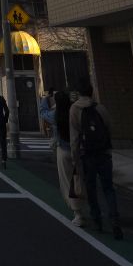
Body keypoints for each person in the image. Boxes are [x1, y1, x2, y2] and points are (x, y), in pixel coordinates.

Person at [70, 78, 123, 240]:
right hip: (104, 154)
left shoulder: (75, 109)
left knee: (91, 188)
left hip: (87, 155)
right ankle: (114, 220)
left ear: (79, 93)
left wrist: (75, 158)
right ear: (92, 93)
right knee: (108, 188)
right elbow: (109, 129)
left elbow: (75, 137)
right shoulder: (100, 108)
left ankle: (97, 219)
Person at [42, 91, 88, 226]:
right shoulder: (75, 112)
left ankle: (78, 213)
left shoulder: (56, 115)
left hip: (63, 151)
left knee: (68, 182)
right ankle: (85, 210)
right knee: (79, 180)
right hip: (79, 151)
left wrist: (45, 99)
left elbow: (43, 113)